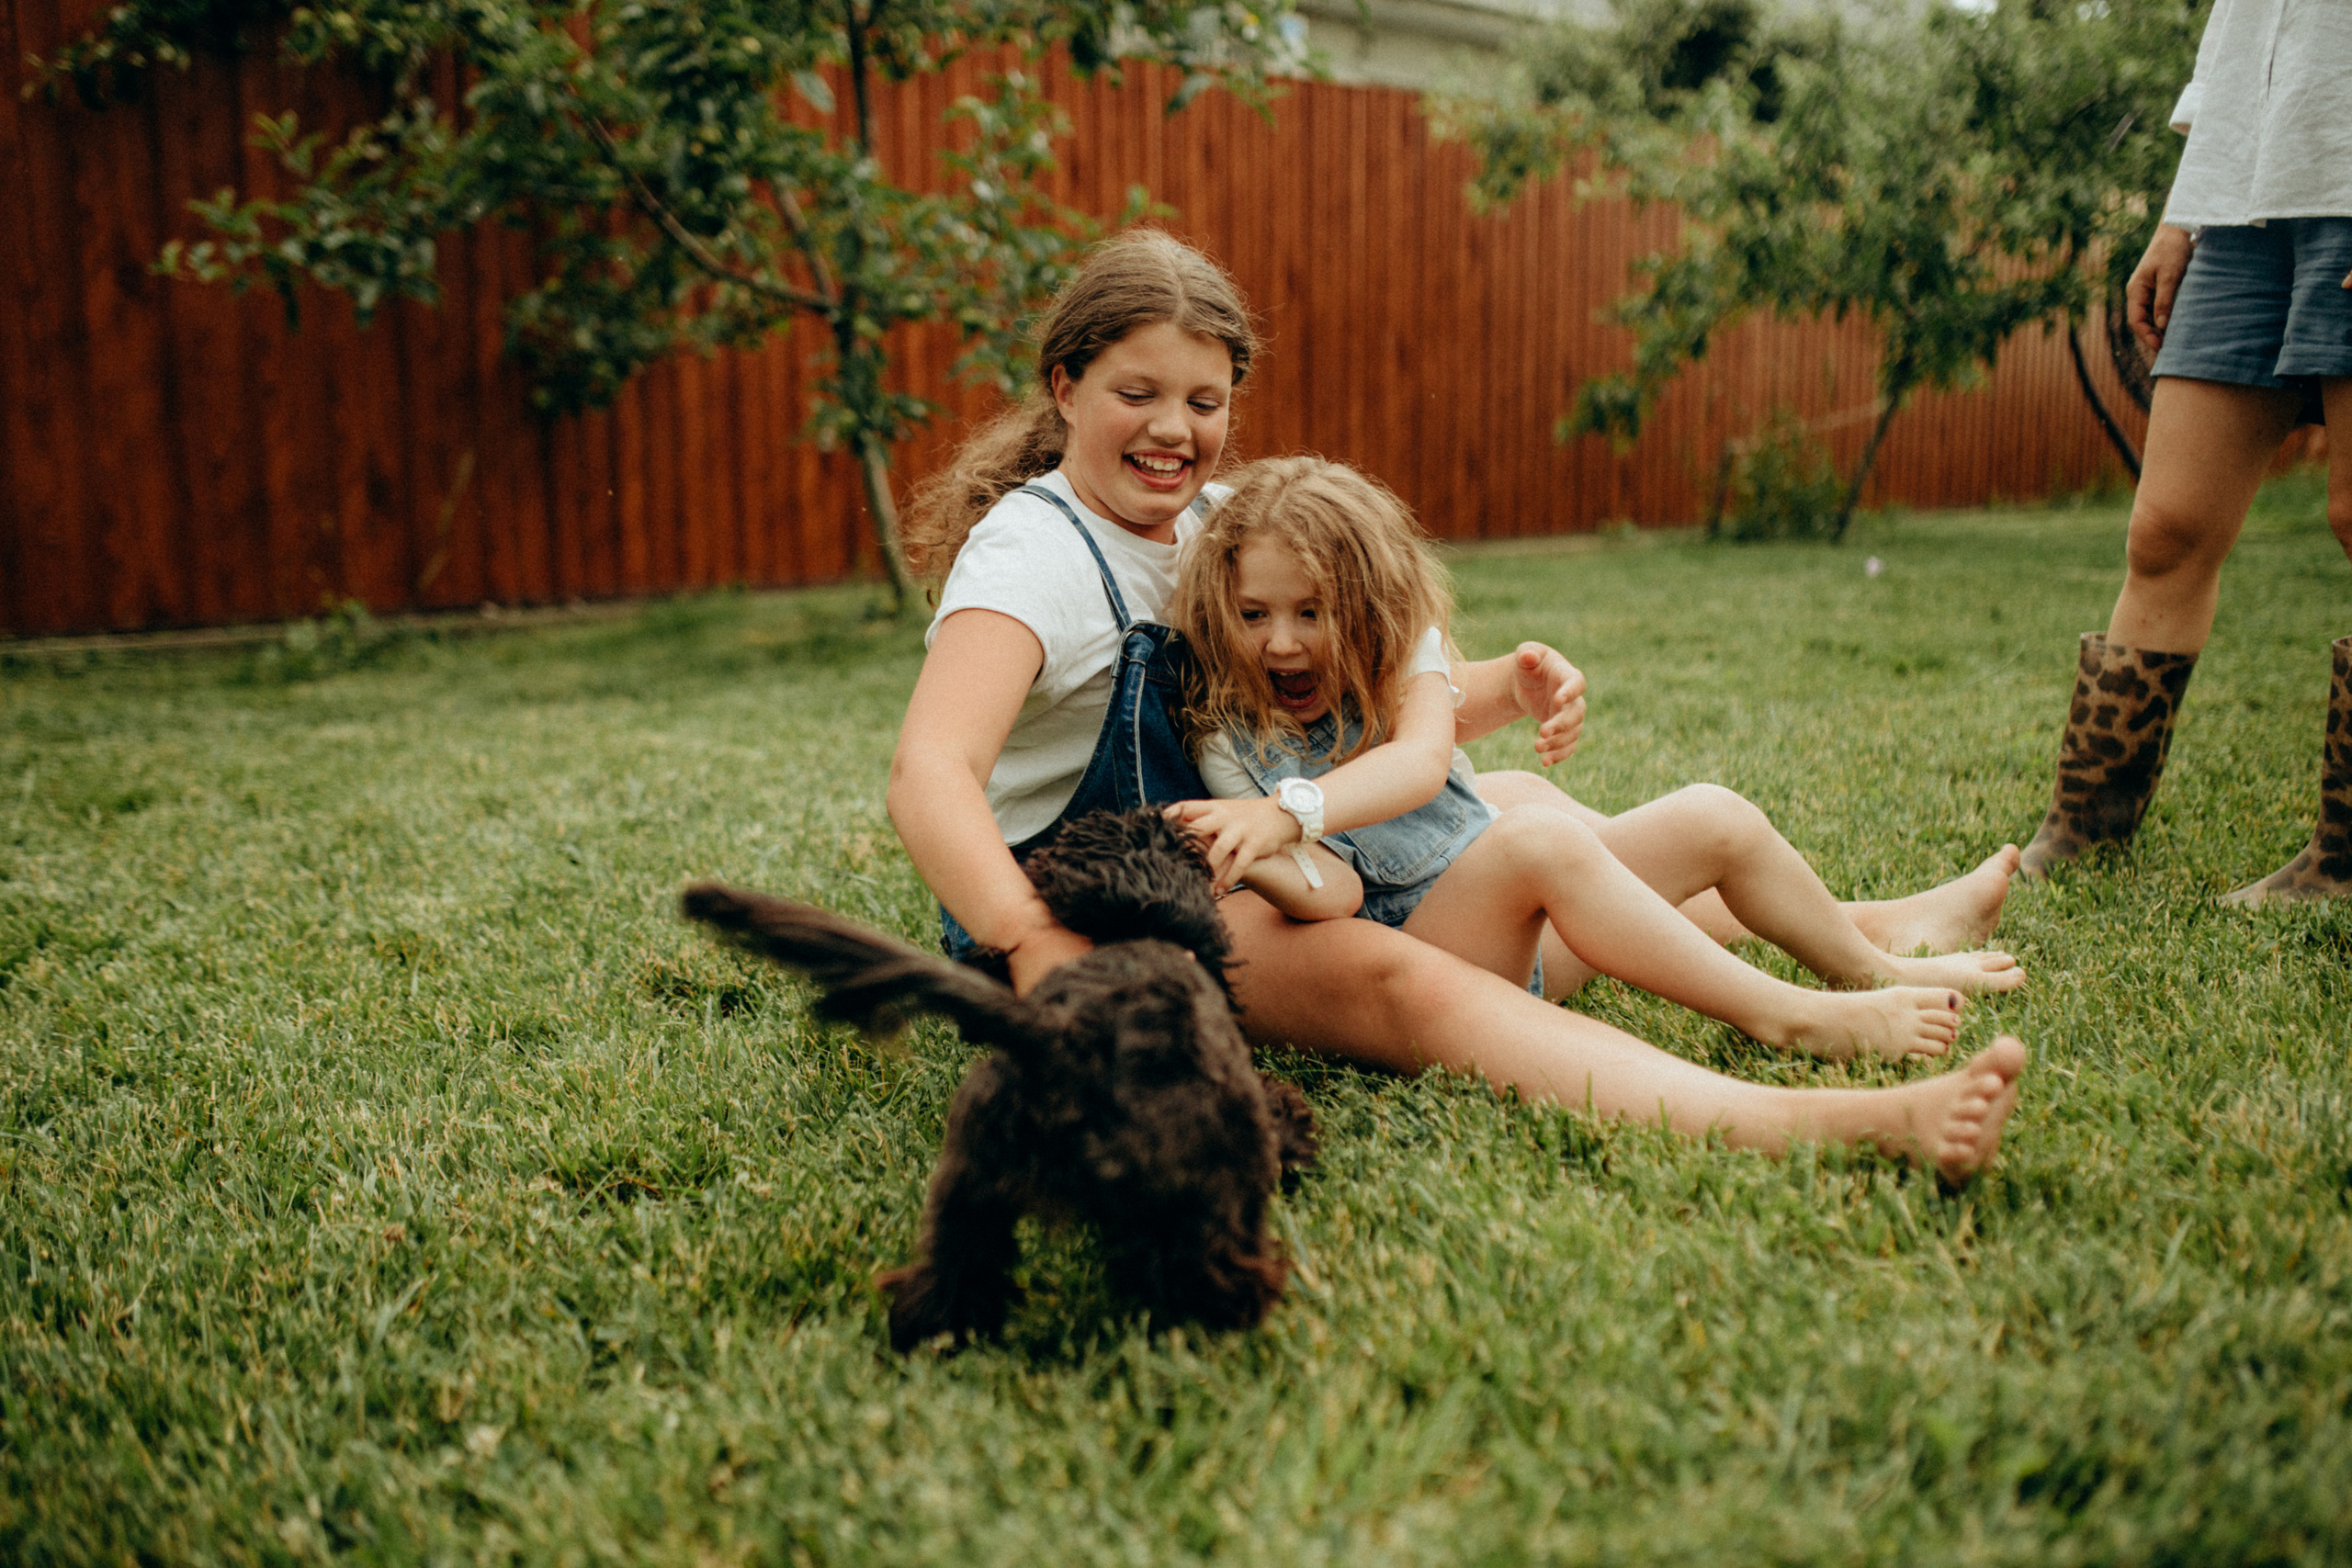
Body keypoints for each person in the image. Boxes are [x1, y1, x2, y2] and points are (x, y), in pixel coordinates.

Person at [888, 228, 2025, 1183]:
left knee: (1522, 798)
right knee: (1399, 976)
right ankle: (1814, 1110)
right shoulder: (1033, 557)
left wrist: (1497, 696)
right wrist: (1037, 948)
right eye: (1134, 394)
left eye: (1204, 399)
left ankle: (1871, 929)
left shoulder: (1215, 521)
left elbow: (1340, 716)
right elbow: (930, 778)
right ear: (1064, 387)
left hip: (1230, 846)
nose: (1172, 430)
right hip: (1092, 909)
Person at [1164, 456, 2022, 1065]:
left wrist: (1291, 810)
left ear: (1367, 607)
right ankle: (1790, 1016)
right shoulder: (1226, 739)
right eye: (1253, 613)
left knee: (1710, 813)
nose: (1281, 641)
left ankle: (1878, 959)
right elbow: (1343, 894)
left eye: (1311, 613)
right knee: (1536, 835)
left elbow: (1425, 760)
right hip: (1448, 955)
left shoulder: (1401, 656)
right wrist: (1262, 855)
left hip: (1517, 911)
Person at [2017, 0, 2352, 901]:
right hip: (2241, 198)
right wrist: (2182, 214)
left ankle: (2344, 861)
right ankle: (2086, 828)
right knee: (2167, 527)